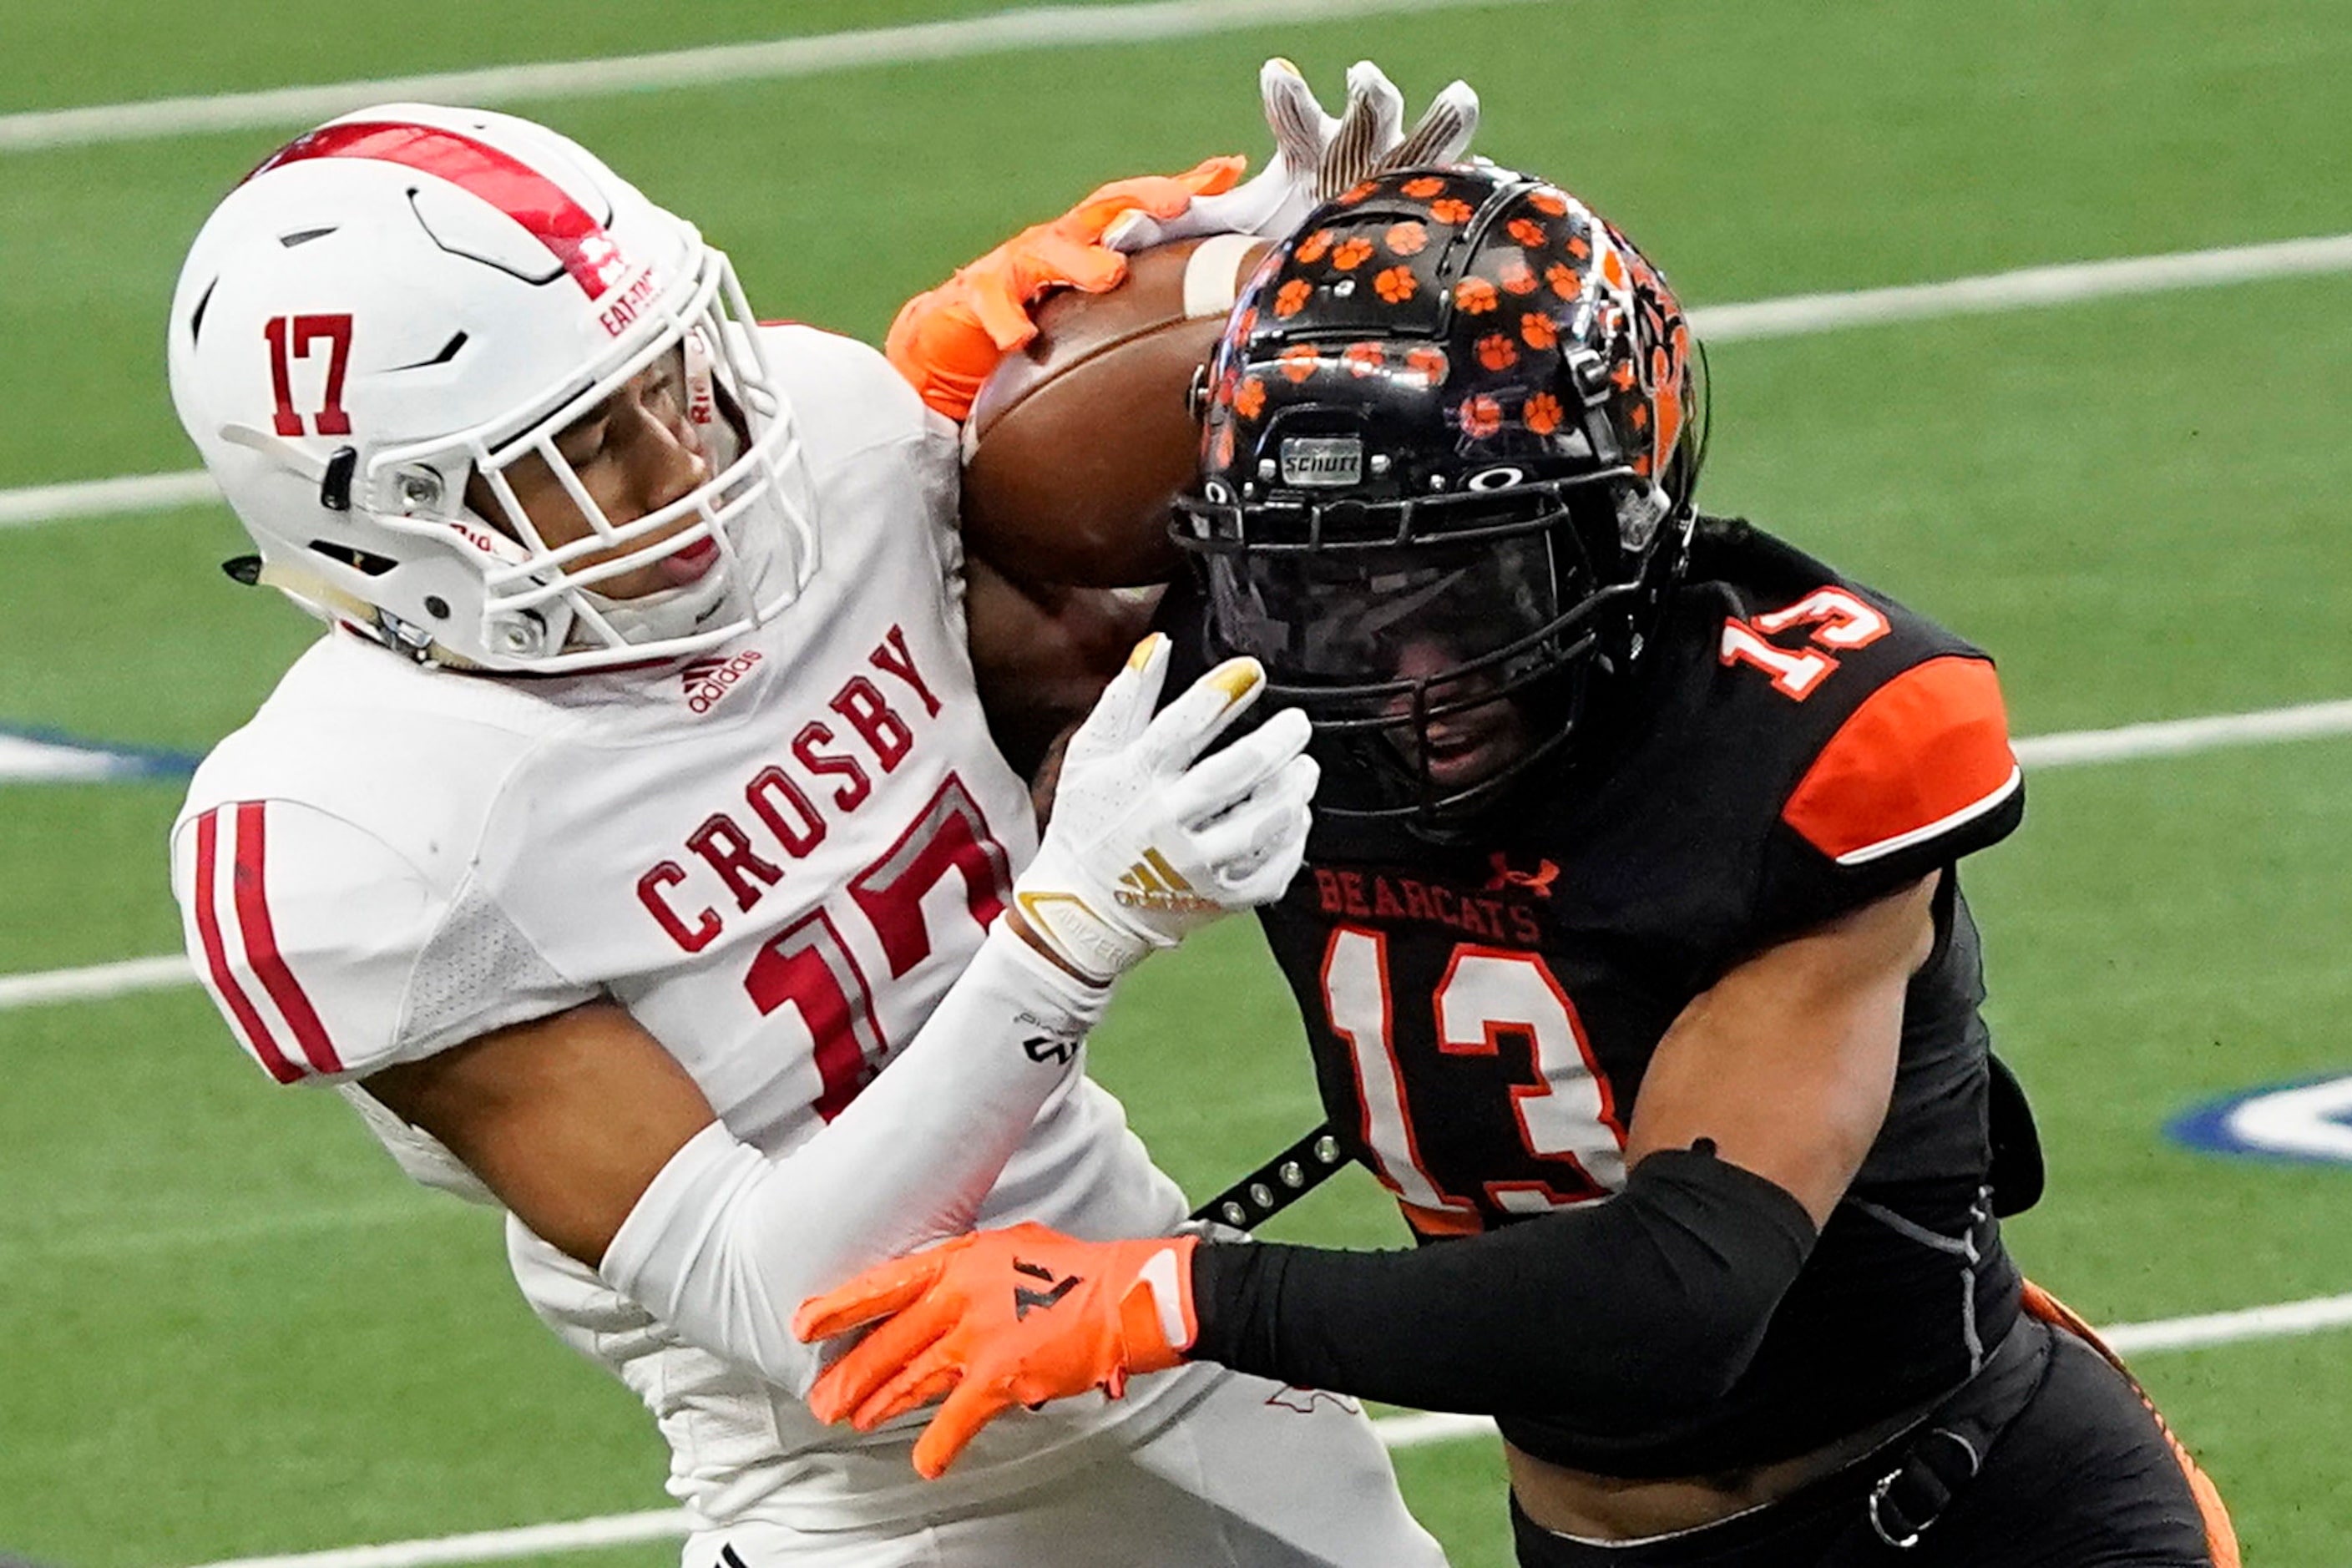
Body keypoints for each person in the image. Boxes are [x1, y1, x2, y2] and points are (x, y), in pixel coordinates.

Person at [797, 164, 2244, 1565]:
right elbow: (836, 676)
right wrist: (922, 446)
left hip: (1958, 1514)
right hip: (1588, 1532)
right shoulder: (1257, 645)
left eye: (1465, 579)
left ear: (1616, 526)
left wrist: (1173, 1289)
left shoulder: (1783, 742)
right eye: (1329, 583)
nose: (1398, 661)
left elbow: (1679, 1293)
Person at [162, 92, 1465, 1567]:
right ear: (392, 527)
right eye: (587, 445)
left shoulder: (834, 442)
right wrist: (1069, 935)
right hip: (869, 1501)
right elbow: (796, 1299)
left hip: (1152, 1332)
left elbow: (1102, 639)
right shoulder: (353, 829)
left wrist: (1274, 308)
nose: (685, 457)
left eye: (672, 370)